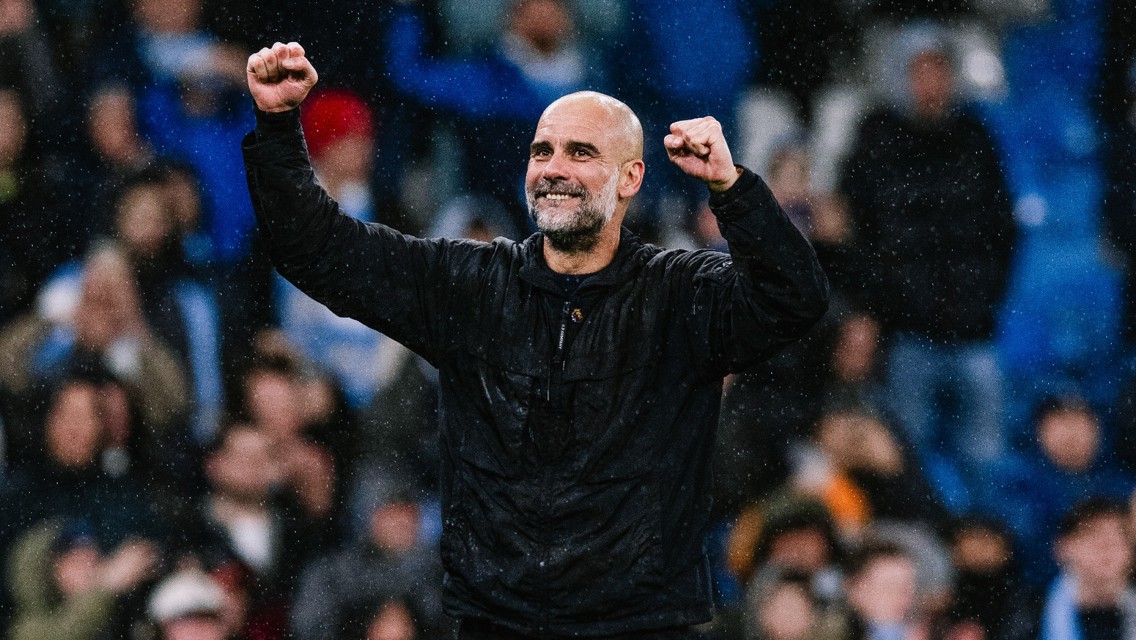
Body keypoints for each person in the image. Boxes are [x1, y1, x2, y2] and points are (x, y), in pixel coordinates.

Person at [243, 41, 828, 638]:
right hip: (498, 624)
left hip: (643, 627)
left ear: (631, 178)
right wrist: (277, 123)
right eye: (541, 151)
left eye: (580, 152)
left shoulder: (680, 293)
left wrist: (732, 189)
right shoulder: (467, 284)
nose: (553, 168)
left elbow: (795, 298)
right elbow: (317, 250)